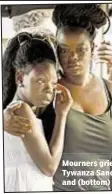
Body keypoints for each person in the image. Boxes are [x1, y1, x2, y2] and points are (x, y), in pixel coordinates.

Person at [4, 4, 112, 191]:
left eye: (80, 49)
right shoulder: (48, 90)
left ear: (92, 47)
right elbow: (17, 104)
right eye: (64, 50)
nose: (72, 57)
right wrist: (4, 118)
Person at [3, 31, 73, 192]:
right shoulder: (21, 110)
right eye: (40, 81)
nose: (49, 89)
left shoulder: (24, 110)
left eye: (54, 83)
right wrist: (62, 116)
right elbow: (49, 167)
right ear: (20, 78)